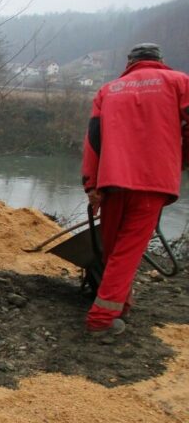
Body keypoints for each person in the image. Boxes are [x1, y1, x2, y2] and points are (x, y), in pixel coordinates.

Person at [81, 43, 189, 335]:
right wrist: (183, 157)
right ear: (160, 61)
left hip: (111, 181)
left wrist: (91, 184)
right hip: (151, 182)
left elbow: (93, 139)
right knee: (126, 252)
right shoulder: (180, 82)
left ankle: (120, 305)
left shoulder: (109, 90)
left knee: (114, 249)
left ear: (130, 63)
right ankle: (101, 319)